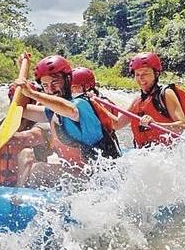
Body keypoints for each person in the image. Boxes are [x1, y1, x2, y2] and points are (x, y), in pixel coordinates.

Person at [14, 54, 120, 188]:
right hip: (86, 177)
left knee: (39, 170)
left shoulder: (80, 104)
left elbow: (70, 110)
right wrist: (21, 80)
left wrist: (33, 94)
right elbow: (21, 110)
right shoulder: (53, 111)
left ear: (67, 80)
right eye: (45, 85)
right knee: (28, 156)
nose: (50, 90)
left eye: (55, 82)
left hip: (103, 180)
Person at [102, 52, 185, 148]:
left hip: (168, 152)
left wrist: (156, 124)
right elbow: (117, 125)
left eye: (145, 73)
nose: (141, 78)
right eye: (137, 74)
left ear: (156, 74)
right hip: (146, 154)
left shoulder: (166, 93)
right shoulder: (137, 100)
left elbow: (183, 126)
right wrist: (99, 104)